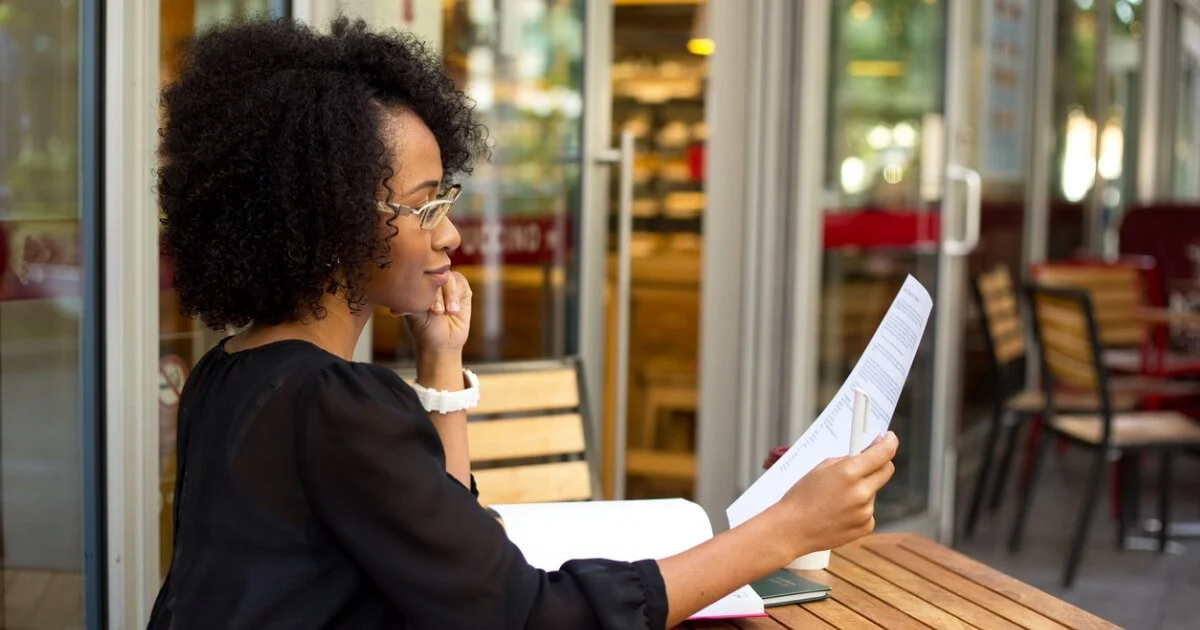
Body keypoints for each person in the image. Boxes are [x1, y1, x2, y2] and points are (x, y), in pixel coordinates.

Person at [148, 16, 900, 630]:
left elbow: (449, 551)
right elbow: (527, 617)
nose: (450, 235)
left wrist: (440, 365)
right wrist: (786, 530)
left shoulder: (229, 375)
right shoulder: (335, 406)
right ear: (334, 221)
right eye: (425, 206)